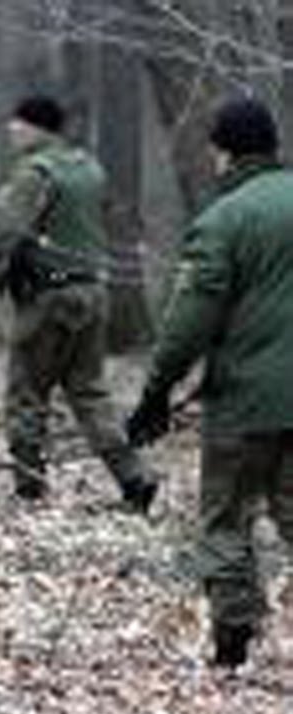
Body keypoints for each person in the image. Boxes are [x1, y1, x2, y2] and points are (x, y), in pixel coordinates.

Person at [127, 96, 293, 667]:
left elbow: (188, 323)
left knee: (226, 518)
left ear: (225, 152)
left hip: (247, 403)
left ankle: (233, 642)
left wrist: (156, 392)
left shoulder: (223, 220)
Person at [0, 95, 156, 509]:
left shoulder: (35, 172)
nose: (11, 130)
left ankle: (29, 487)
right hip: (92, 293)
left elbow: (3, 229)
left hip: (47, 299)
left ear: (37, 128)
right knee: (90, 393)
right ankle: (134, 476)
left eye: (17, 123)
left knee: (26, 394)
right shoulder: (89, 168)